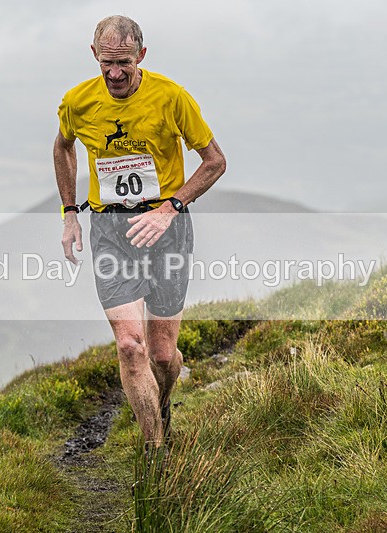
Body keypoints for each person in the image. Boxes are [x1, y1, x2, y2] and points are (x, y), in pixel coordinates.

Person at [53, 15, 226, 449]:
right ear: (95, 55)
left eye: (124, 64)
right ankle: (154, 451)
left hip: (166, 229)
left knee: (163, 355)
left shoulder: (171, 98)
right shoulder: (78, 102)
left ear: (141, 56)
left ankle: (162, 403)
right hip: (110, 228)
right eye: (106, 63)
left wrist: (171, 208)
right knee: (131, 346)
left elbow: (215, 162)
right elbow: (63, 146)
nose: (114, 73)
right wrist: (70, 213)